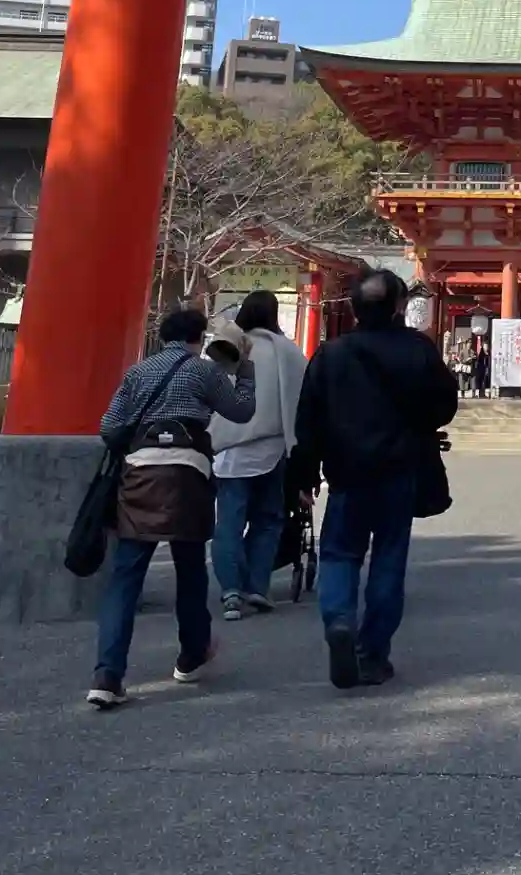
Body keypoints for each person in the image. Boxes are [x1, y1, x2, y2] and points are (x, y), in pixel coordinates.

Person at [293, 264, 458, 690]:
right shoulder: (418, 350)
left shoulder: (331, 354)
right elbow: (444, 406)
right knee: (388, 558)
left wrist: (304, 475)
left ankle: (339, 620)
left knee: (339, 553)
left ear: (353, 307)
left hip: (346, 471)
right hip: (399, 469)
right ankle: (372, 653)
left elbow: (308, 421)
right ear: (399, 306)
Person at [86, 305, 256, 708]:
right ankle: (192, 653)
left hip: (140, 478)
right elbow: (241, 411)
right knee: (191, 568)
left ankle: (107, 675)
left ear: (163, 337)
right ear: (198, 338)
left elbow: (109, 427)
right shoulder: (204, 371)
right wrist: (246, 371)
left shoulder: (138, 372)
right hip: (188, 478)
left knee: (126, 576)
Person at [210, 289, 309, 620]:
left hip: (228, 451)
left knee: (228, 522)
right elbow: (302, 399)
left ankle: (230, 590)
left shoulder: (227, 347)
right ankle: (257, 586)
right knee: (268, 520)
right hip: (271, 449)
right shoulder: (287, 352)